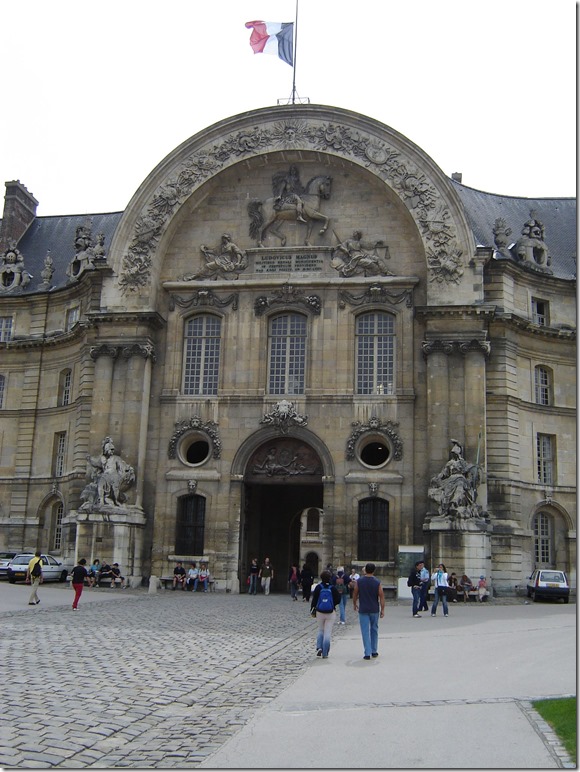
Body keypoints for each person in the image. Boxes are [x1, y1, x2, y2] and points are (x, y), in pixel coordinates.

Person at [353, 562, 385, 659]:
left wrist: (355, 604)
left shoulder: (360, 581)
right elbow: (381, 596)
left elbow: (355, 593)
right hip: (374, 608)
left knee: (365, 631)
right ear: (374, 570)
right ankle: (374, 650)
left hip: (363, 609)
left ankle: (367, 652)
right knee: (374, 629)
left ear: (365, 570)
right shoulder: (377, 582)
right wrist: (382, 609)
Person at [310, 570, 341, 659]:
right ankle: (325, 652)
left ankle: (319, 647)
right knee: (327, 632)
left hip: (320, 611)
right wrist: (332, 604)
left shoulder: (318, 587)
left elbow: (314, 599)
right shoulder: (333, 588)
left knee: (320, 630)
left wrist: (312, 608)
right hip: (330, 612)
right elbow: (338, 600)